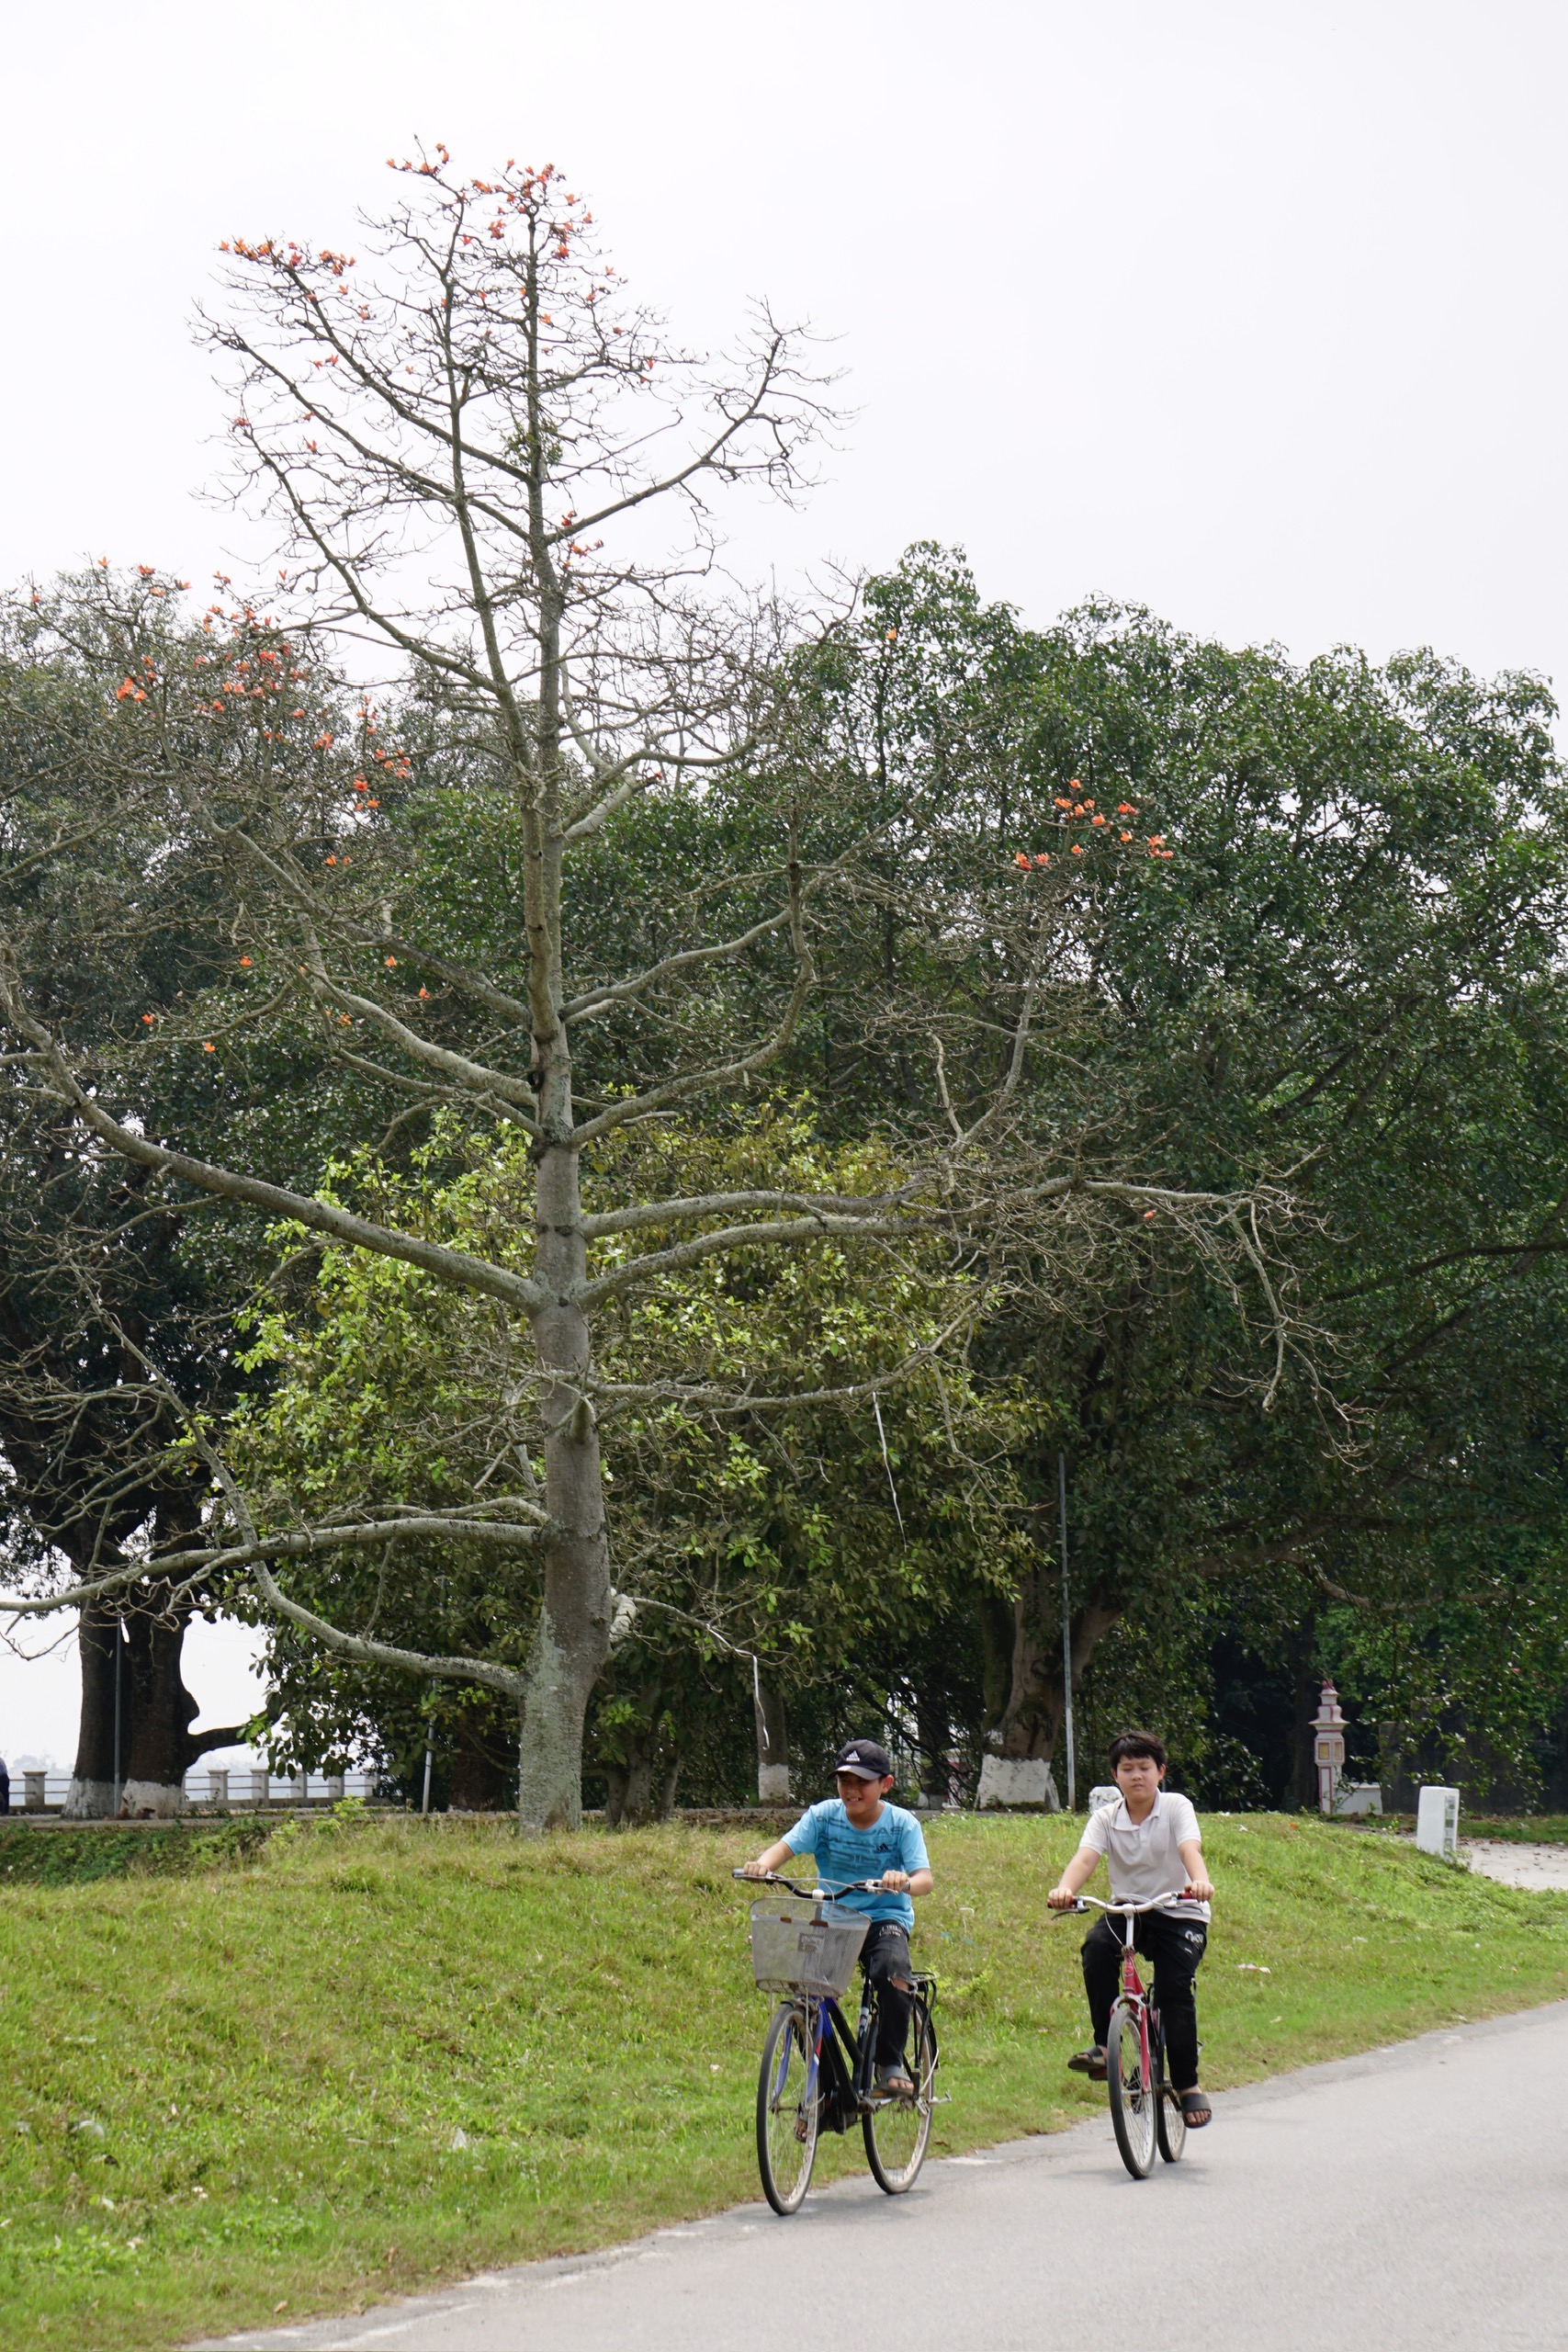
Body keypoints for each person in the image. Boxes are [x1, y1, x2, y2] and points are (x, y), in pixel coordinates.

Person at [743, 1738, 932, 2096]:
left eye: (862, 1781)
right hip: (834, 1920)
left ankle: (889, 2061)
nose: (852, 1789)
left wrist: (902, 1881)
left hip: (883, 1918)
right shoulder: (823, 1817)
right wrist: (762, 1866)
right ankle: (830, 2095)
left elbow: (925, 1880)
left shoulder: (902, 1825)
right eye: (845, 1781)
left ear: (885, 1784)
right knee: (806, 2000)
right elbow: (784, 1849)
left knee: (892, 1973)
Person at [1047, 1729, 1214, 2129]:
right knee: (1095, 1949)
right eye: (1127, 1769)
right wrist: (1066, 1889)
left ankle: (1188, 2086)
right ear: (1115, 1775)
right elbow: (1086, 1858)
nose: (1136, 1775)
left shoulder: (1176, 1807)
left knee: (1175, 1990)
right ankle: (1107, 2046)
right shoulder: (1106, 1818)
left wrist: (1201, 1882)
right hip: (1129, 1910)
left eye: (1144, 1767)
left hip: (1180, 1910)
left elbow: (1190, 1849)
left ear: (1160, 1772)